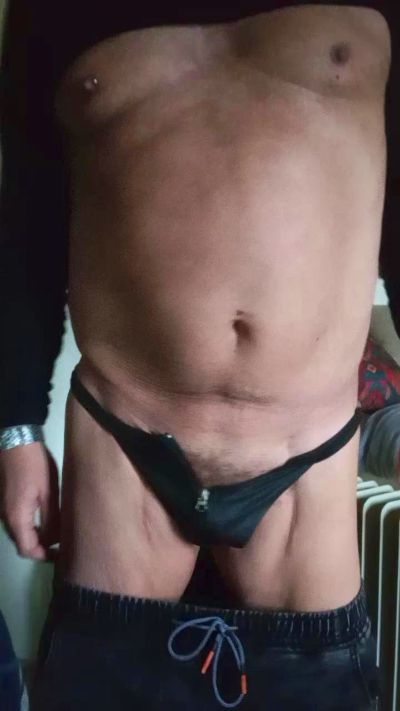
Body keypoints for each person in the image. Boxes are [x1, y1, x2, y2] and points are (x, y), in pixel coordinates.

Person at [0, 2, 399, 709]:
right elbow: (28, 226)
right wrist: (16, 426)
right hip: (127, 429)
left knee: (314, 695)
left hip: (306, 441)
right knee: (100, 691)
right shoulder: (48, 12)